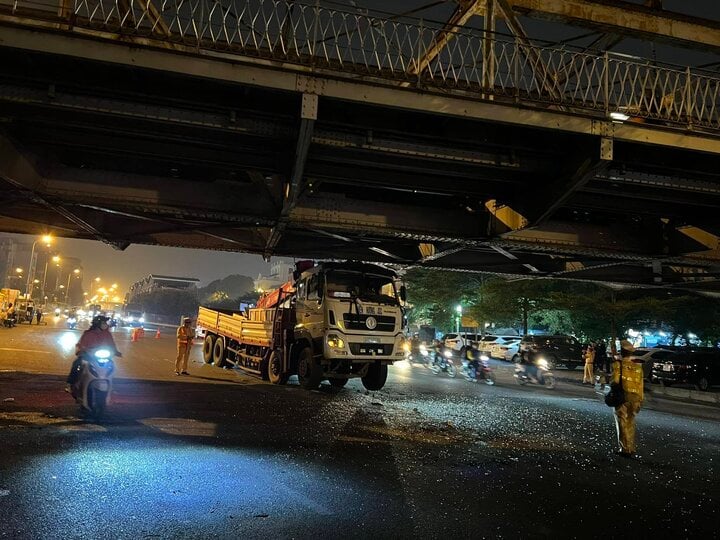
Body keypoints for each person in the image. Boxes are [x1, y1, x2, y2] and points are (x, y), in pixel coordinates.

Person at [66, 315, 120, 392]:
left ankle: (110, 384)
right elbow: (81, 344)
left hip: (103, 356)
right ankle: (70, 383)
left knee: (111, 366)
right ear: (98, 324)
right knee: (77, 363)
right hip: (89, 356)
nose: (106, 325)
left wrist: (116, 351)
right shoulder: (88, 334)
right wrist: (82, 350)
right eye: (103, 323)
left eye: (105, 323)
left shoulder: (107, 334)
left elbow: (112, 344)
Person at [612, 339, 644, 458]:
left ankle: (624, 448)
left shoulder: (618, 365)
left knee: (622, 422)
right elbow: (641, 384)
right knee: (631, 422)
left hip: (622, 398)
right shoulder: (637, 366)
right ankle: (631, 447)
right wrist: (640, 400)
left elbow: (615, 381)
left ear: (622, 352)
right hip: (635, 398)